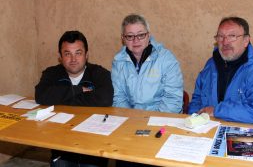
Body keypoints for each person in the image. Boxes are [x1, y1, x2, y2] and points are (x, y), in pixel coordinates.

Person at [35, 30, 113, 167]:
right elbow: (41, 95)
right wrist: (78, 90)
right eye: (67, 54)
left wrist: (61, 98)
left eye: (78, 53)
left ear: (86, 55)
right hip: (61, 140)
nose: (73, 59)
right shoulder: (51, 73)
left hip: (93, 142)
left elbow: (105, 99)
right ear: (60, 56)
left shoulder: (99, 73)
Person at [188, 17, 253, 125]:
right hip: (205, 133)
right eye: (221, 36)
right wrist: (192, 122)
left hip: (242, 135)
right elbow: (196, 101)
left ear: (246, 41)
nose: (225, 42)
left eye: (232, 36)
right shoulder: (210, 65)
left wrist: (217, 111)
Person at [111, 14, 183, 114]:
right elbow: (119, 98)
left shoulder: (166, 59)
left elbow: (173, 99)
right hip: (131, 119)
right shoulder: (118, 61)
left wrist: (153, 121)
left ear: (148, 35)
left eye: (141, 35)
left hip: (161, 119)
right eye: (130, 36)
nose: (136, 40)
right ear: (123, 38)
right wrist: (131, 119)